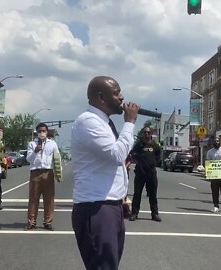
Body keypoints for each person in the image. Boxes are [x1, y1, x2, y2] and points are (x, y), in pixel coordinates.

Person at [71, 76, 139, 270]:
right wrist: (130, 122)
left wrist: (121, 199)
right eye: (116, 93)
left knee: (109, 265)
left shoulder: (105, 123)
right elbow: (116, 155)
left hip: (111, 205)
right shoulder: (88, 122)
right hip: (96, 208)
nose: (122, 97)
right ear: (101, 97)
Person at [25, 123, 60, 231]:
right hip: (35, 173)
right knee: (33, 199)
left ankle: (47, 222)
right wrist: (35, 151)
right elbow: (28, 160)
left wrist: (58, 173)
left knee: (49, 199)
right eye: (40, 131)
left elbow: (57, 159)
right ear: (37, 132)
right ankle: (31, 222)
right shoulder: (32, 144)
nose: (42, 133)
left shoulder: (52, 144)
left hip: (48, 173)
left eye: (44, 131)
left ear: (47, 132)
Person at [129, 127, 162, 222]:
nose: (146, 134)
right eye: (145, 132)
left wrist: (153, 163)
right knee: (137, 193)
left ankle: (154, 214)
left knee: (153, 194)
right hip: (140, 172)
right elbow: (133, 154)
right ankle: (134, 213)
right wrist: (138, 162)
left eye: (148, 132)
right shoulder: (138, 145)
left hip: (151, 173)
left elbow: (158, 156)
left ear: (151, 134)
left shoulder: (155, 145)